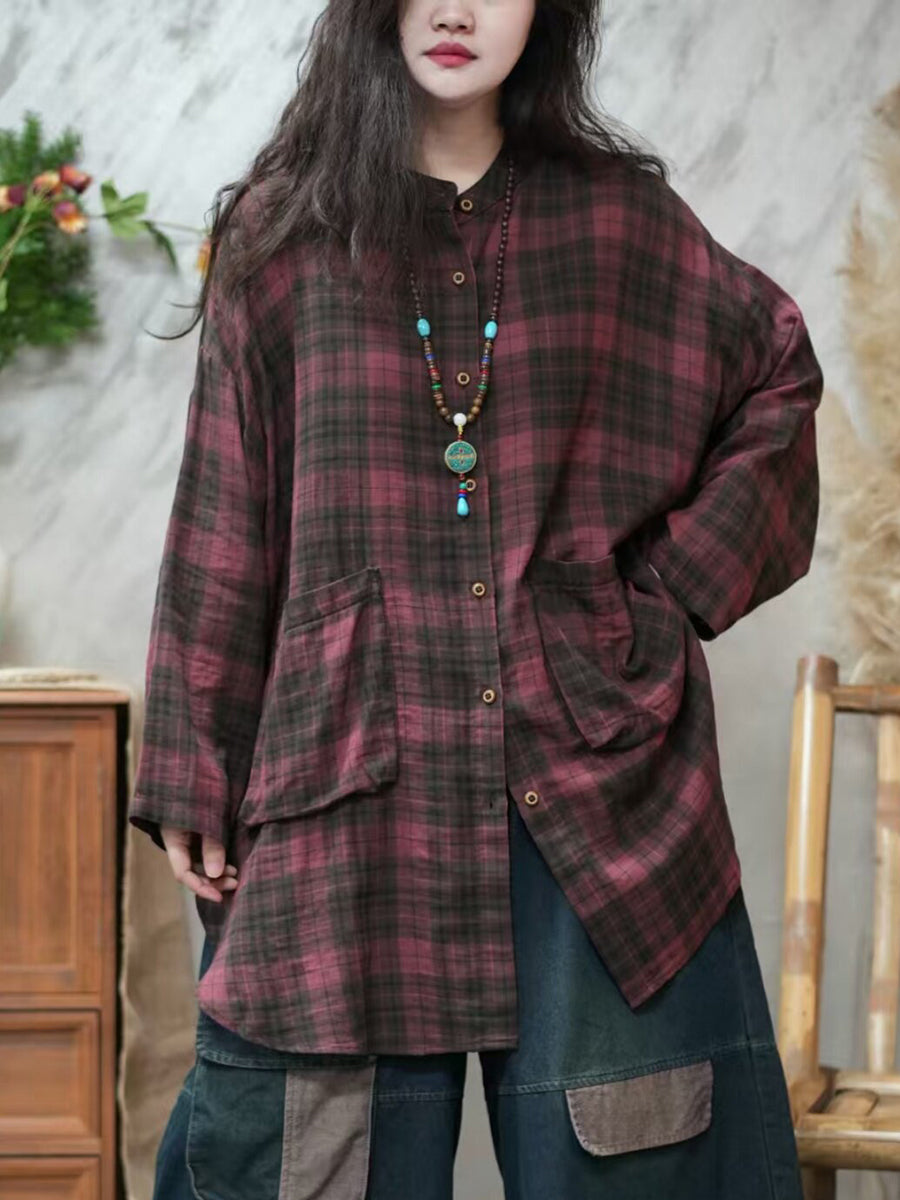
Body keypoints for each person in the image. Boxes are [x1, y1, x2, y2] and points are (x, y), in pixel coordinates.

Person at [129, 0, 823, 1195]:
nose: (455, 7)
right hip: (347, 773)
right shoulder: (283, 235)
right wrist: (194, 757)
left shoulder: (618, 222)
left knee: (647, 1155)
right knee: (308, 1156)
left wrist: (658, 599)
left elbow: (778, 374)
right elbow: (226, 504)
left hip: (589, 782)